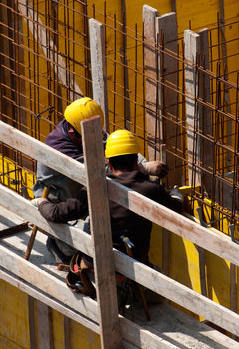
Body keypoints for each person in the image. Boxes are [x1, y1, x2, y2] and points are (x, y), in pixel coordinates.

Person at [33, 97, 170, 268]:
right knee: (84, 232)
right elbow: (97, 171)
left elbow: (112, 147)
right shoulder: (59, 147)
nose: (98, 137)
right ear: (72, 133)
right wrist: (143, 168)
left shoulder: (79, 127)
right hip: (58, 198)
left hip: (78, 192)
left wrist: (136, 158)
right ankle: (61, 247)